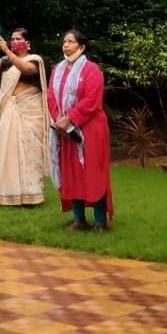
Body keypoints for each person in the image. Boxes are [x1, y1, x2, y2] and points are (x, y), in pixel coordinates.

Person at [47, 30, 113, 231]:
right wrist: (59, 118)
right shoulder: (58, 69)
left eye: (70, 41)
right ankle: (78, 219)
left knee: (93, 172)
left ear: (81, 47)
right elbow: (50, 95)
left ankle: (100, 221)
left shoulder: (92, 70)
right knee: (71, 173)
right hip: (66, 131)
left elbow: (92, 101)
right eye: (64, 41)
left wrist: (71, 118)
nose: (65, 45)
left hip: (90, 128)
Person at [0, 27, 50, 206]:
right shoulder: (6, 61)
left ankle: (32, 194)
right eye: (12, 38)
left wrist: (6, 50)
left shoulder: (35, 60)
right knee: (9, 151)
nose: (14, 41)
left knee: (30, 152)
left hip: (30, 111)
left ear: (28, 43)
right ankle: (9, 193)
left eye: (18, 38)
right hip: (10, 110)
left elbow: (26, 69)